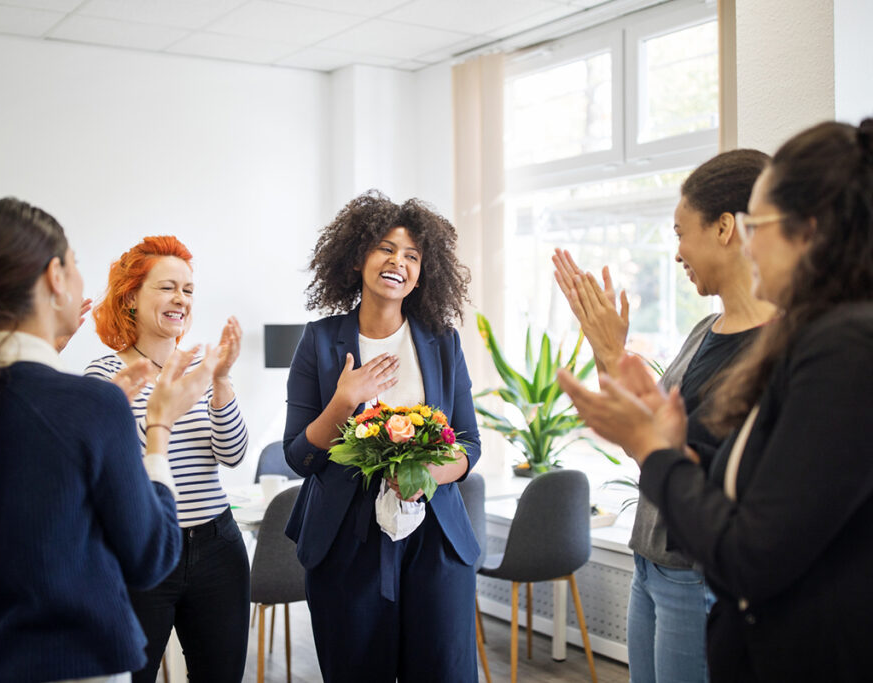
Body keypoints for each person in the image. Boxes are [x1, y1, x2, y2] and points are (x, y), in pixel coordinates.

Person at [558, 118, 873, 682]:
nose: (753, 243)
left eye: (763, 225)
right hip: (672, 566)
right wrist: (661, 436)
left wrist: (656, 448)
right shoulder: (794, 336)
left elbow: (754, 543)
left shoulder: (839, 346)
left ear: (807, 229)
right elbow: (737, 472)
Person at [0, 197, 225, 682]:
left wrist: (106, 417)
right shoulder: (89, 401)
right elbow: (150, 559)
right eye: (77, 264)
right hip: (71, 666)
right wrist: (157, 429)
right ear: (56, 277)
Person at [552, 149, 777, 683]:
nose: (676, 252)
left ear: (724, 227)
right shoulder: (704, 330)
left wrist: (612, 356)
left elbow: (695, 459)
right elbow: (650, 440)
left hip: (697, 575)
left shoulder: (778, 349)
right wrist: (609, 352)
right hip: (651, 557)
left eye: (680, 233)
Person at [283, 191, 481, 682]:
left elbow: (470, 444)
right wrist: (343, 401)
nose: (399, 262)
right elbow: (298, 457)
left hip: (434, 538)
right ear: (357, 259)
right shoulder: (320, 340)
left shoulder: (442, 342)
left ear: (423, 271)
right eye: (386, 249)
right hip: (345, 544)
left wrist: (427, 474)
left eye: (412, 255)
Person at [85, 236, 250, 683]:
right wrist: (163, 413)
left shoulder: (200, 370)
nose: (181, 299)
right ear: (132, 299)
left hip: (218, 547)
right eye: (167, 287)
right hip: (141, 551)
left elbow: (233, 455)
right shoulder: (105, 375)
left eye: (189, 290)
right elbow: (107, 467)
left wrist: (220, 381)